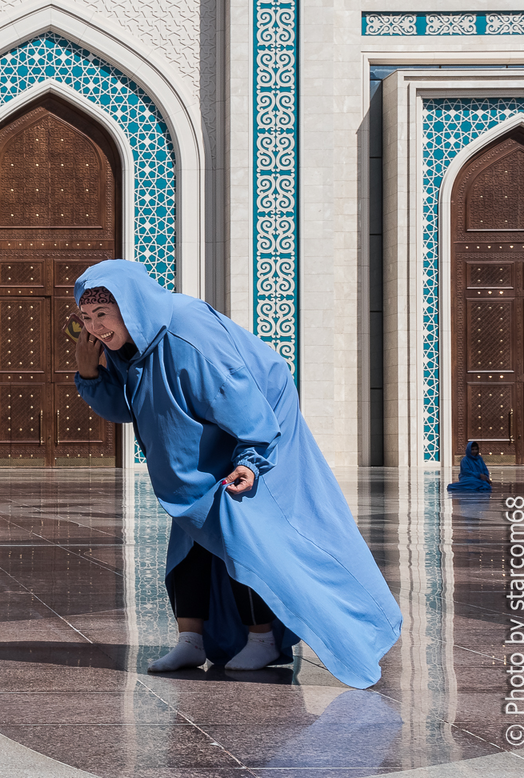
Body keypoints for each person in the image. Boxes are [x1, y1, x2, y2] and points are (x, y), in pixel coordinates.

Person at [73, 260, 401, 688]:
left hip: (257, 420)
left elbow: (239, 394)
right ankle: (192, 640)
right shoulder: (127, 342)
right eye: (85, 318)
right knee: (191, 532)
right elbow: (124, 408)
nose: (95, 327)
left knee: (244, 533)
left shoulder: (186, 333)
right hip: (202, 433)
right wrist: (88, 369)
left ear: (130, 305)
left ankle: (263, 638)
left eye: (102, 315)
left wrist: (250, 457)